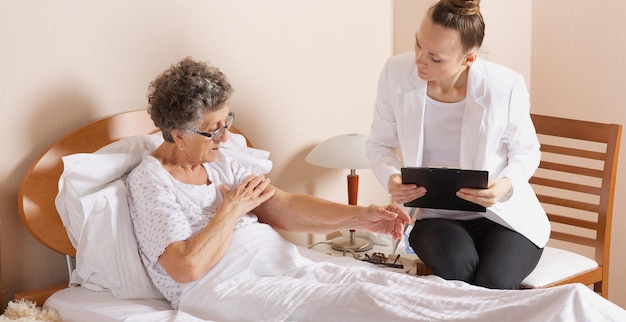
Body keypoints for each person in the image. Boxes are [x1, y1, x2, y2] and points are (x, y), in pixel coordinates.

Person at [125, 57, 626, 322]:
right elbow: (185, 266)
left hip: (288, 267)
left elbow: (282, 207)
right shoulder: (150, 181)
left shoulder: (222, 158)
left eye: (226, 121)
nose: (227, 137)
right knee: (381, 309)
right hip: (234, 290)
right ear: (176, 133)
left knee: (406, 289)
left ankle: (565, 310)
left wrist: (361, 216)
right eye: (214, 129)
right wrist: (232, 209)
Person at [366, 0, 550, 290]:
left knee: (495, 282)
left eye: (435, 57)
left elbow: (526, 152)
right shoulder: (395, 73)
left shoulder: (505, 86)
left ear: (468, 59)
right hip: (436, 219)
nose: (419, 60)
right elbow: (379, 145)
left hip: (504, 218)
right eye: (417, 45)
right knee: (456, 267)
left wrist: (505, 185)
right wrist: (391, 177)